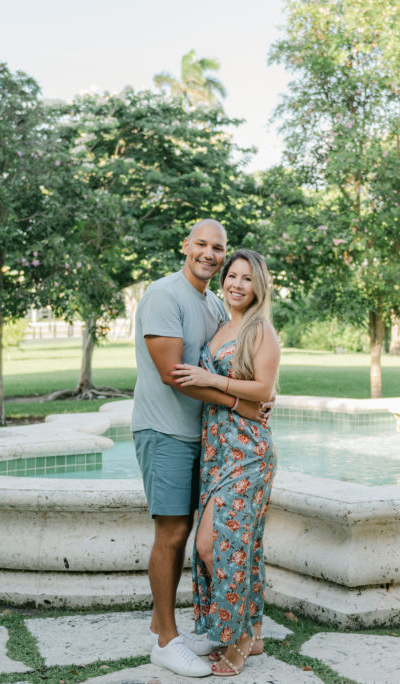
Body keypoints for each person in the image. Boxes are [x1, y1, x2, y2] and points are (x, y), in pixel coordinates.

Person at [132, 220, 266, 678]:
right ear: (185, 246)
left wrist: (252, 395)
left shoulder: (212, 304)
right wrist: (237, 402)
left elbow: (239, 363)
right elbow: (176, 374)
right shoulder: (163, 296)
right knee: (171, 534)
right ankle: (167, 642)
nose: (210, 254)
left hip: (208, 443)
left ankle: (164, 622)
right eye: (202, 245)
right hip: (166, 432)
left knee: (194, 536)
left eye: (218, 249)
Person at [171, 249, 280, 677]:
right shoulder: (220, 326)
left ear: (258, 286)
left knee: (211, 545)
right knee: (238, 547)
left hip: (248, 453)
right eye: (232, 276)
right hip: (217, 452)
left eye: (246, 279)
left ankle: (239, 637)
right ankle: (251, 628)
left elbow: (264, 388)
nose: (236, 284)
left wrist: (211, 379)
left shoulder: (260, 330)